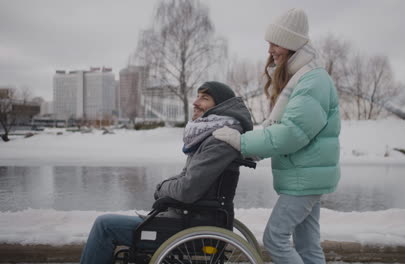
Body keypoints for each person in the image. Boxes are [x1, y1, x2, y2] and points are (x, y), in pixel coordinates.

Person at [213, 8, 341, 264]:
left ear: (292, 44)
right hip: (307, 175)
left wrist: (242, 142)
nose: (270, 49)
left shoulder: (312, 81)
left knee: (275, 238)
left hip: (305, 177)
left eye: (276, 43)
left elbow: (291, 133)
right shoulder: (302, 77)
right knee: (307, 245)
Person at [80, 81, 253, 264]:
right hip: (190, 218)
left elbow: (187, 189)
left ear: (221, 106)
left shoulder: (219, 141)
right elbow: (188, 180)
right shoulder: (214, 136)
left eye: (204, 98)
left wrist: (161, 188)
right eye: (197, 96)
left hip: (191, 224)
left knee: (105, 226)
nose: (195, 102)